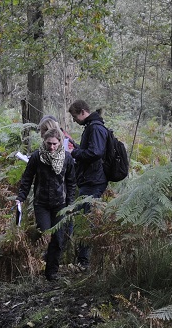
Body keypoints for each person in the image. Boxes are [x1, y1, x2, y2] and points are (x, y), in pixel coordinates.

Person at [16, 128, 76, 281]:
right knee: (45, 233)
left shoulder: (67, 158)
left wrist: (70, 204)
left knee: (58, 238)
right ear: (44, 141)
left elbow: (71, 182)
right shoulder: (37, 157)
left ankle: (51, 272)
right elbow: (27, 178)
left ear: (60, 143)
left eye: (55, 144)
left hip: (60, 204)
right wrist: (21, 197)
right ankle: (34, 262)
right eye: (49, 143)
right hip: (41, 203)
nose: (51, 147)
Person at [67, 99, 109, 268]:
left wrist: (74, 152)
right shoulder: (91, 127)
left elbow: (95, 152)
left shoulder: (96, 128)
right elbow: (90, 150)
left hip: (94, 181)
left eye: (74, 116)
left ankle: (85, 262)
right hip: (88, 180)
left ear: (83, 111)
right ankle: (82, 259)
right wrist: (74, 145)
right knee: (82, 219)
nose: (74, 120)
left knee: (86, 220)